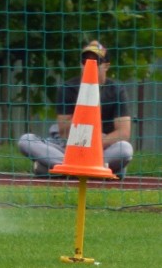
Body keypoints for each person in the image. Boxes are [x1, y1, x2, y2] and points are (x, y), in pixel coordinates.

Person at [18, 40, 133, 178]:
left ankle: (54, 169)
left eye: (96, 61)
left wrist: (93, 147)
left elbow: (123, 132)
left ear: (106, 66)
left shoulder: (116, 90)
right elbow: (64, 130)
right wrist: (84, 99)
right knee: (26, 140)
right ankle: (101, 170)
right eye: (85, 61)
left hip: (102, 148)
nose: (89, 64)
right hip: (67, 147)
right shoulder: (68, 88)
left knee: (125, 149)